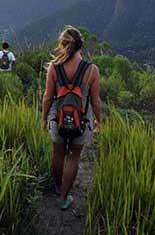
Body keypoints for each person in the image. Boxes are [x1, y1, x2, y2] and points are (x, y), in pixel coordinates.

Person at [42, 26, 102, 210]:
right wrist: (99, 120)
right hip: (82, 120)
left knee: (58, 154)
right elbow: (95, 100)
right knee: (74, 157)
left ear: (62, 45)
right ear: (80, 46)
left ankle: (58, 185)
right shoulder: (92, 70)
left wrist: (45, 119)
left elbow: (47, 97)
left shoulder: (54, 67)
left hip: (57, 118)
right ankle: (63, 197)